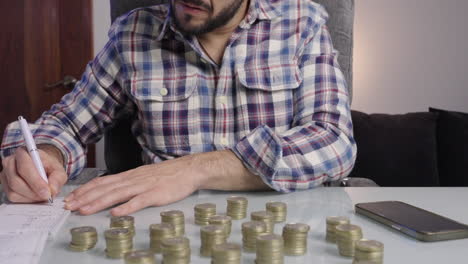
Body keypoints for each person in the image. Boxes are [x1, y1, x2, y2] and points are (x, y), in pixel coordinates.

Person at [0, 0, 356, 216]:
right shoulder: (133, 34)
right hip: (157, 233)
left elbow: (334, 142)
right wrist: (46, 154)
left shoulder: (302, 25)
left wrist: (193, 170)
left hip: (281, 226)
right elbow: (67, 124)